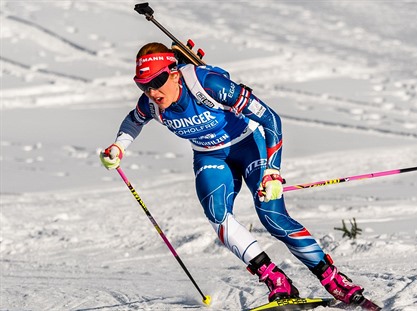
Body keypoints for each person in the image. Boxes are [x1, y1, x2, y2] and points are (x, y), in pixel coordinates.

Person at [100, 42, 368, 305]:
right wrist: (118, 147)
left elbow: (271, 118)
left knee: (272, 216)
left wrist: (273, 172)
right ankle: (275, 280)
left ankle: (331, 278)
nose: (152, 91)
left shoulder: (207, 85)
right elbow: (132, 121)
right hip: (209, 154)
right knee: (218, 216)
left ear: (173, 72)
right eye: (142, 85)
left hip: (248, 145)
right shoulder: (151, 105)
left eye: (157, 81)